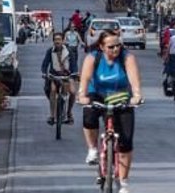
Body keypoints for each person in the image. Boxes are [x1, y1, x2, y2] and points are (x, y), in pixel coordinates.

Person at [78, 31, 142, 193]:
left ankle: (123, 182)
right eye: (111, 46)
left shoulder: (127, 57)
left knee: (126, 142)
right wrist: (82, 95)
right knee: (89, 115)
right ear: (101, 47)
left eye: (118, 45)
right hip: (97, 94)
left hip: (120, 95)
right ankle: (92, 149)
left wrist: (136, 95)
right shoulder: (93, 58)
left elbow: (134, 81)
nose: (115, 49)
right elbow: (84, 80)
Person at [42, 32, 78, 125]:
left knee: (73, 92)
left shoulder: (69, 51)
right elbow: (45, 64)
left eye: (59, 39)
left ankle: (69, 113)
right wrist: (44, 73)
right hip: (54, 76)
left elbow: (74, 64)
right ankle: (52, 116)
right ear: (53, 41)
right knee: (52, 91)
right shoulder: (50, 51)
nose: (57, 41)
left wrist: (74, 74)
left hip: (67, 76)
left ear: (63, 41)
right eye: (55, 39)